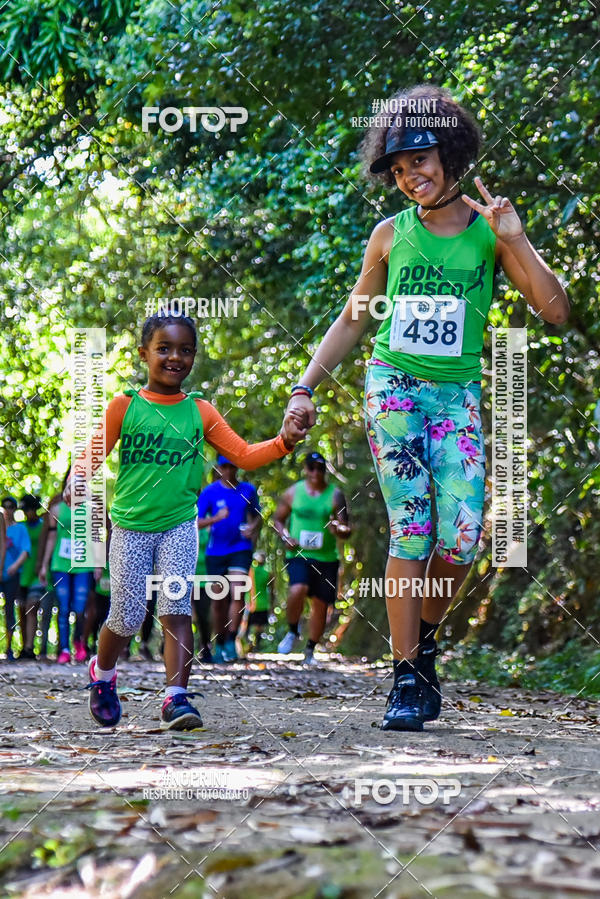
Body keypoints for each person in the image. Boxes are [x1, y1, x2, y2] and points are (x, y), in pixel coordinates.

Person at [286, 85, 569, 730]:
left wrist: (517, 239)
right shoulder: (389, 236)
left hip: (458, 393)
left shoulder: (488, 234)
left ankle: (424, 640)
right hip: (394, 387)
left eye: (420, 158)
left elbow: (554, 310)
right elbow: (355, 318)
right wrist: (305, 386)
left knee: (464, 537)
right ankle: (408, 676)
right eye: (398, 167)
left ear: (449, 151)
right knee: (412, 526)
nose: (411, 174)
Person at [65, 311, 305, 731]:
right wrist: (76, 478)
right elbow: (92, 453)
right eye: (164, 348)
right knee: (126, 614)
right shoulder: (126, 405)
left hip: (179, 526)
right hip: (130, 527)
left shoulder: (200, 411)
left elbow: (244, 455)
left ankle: (175, 698)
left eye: (185, 350)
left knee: (176, 609)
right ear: (144, 353)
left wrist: (284, 441)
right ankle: (102, 677)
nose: (175, 357)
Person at [274, 452, 351, 665]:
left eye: (319, 468)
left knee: (320, 604)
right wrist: (285, 537)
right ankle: (292, 631)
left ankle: (310, 650)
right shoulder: (293, 493)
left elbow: (346, 528)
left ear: (324, 470)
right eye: (311, 467)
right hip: (298, 554)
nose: (315, 472)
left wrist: (338, 528)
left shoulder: (335, 495)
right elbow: (278, 520)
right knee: (297, 589)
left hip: (326, 557)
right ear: (305, 469)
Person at [197, 457, 262, 663]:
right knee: (218, 600)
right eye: (224, 466)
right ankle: (221, 643)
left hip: (240, 548)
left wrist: (253, 528)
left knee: (237, 592)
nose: (228, 470)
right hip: (216, 552)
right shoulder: (210, 492)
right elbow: (196, 522)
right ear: (219, 468)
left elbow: (257, 516)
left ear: (237, 467)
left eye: (232, 466)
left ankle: (231, 641)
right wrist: (216, 518)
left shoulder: (248, 490)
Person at [39, 471, 96, 664]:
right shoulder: (56, 510)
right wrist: (44, 565)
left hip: (84, 565)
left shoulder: (91, 509)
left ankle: (78, 642)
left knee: (80, 607)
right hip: (60, 564)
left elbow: (96, 537)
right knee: (63, 608)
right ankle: (63, 649)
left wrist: (98, 564)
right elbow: (51, 538)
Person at [0, 496, 31, 660]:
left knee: (10, 610)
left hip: (11, 576)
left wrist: (15, 566)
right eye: (5, 506)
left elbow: (26, 551)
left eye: (11, 506)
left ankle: (9, 647)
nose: (7, 509)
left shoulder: (20, 529)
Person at [17, 494, 45, 660]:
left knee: (31, 609)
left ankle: (29, 646)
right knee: (21, 611)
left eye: (29, 509)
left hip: (36, 575)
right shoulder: (21, 528)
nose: (27, 513)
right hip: (21, 575)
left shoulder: (43, 526)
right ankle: (23, 646)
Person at [245, 550, 274, 652]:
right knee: (259, 626)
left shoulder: (250, 570)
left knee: (248, 626)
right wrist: (272, 606)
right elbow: (272, 591)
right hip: (263, 603)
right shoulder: (268, 572)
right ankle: (256, 645)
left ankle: (248, 644)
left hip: (251, 603)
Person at [193, 520, 213, 663]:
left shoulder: (210, 522)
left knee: (203, 616)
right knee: (180, 614)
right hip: (184, 578)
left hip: (205, 579)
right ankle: (169, 646)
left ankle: (205, 646)